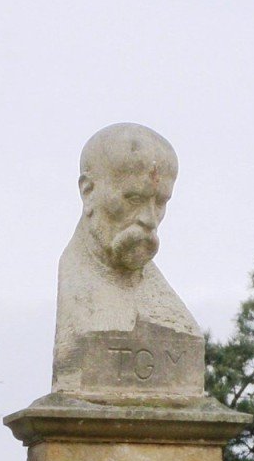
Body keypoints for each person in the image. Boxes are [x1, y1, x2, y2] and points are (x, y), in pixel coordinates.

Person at [52, 122, 204, 400]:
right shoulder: (77, 288)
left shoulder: (174, 319)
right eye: (134, 198)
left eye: (160, 202)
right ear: (88, 191)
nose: (149, 218)